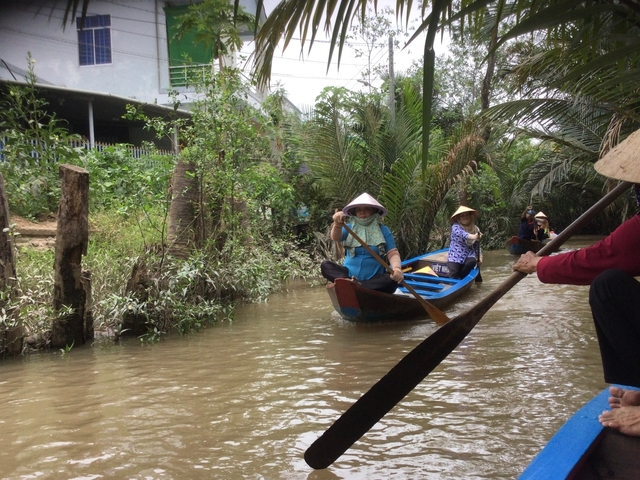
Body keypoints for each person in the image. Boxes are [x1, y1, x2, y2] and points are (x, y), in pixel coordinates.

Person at [513, 129, 640, 437]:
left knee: (605, 284)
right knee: (608, 286)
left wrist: (540, 262)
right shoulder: (527, 224)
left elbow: (599, 257)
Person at [320, 192, 404, 294]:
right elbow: (335, 237)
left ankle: (358, 286)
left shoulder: (383, 230)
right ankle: (348, 282)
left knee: (392, 279)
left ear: (374, 211)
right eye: (359, 210)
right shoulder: (350, 227)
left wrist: (397, 269)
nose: (362, 212)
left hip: (373, 279)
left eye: (367, 209)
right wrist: (337, 224)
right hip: (349, 275)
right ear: (355, 212)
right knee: (325, 265)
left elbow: (392, 253)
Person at [447, 205, 482, 279]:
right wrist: (474, 237)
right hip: (455, 254)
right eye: (462, 216)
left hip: (468, 253)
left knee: (472, 262)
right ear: (458, 218)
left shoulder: (475, 229)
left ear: (470, 216)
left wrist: (480, 257)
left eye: (467, 215)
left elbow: (477, 246)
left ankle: (462, 278)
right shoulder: (455, 227)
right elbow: (463, 234)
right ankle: (455, 282)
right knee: (453, 272)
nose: (465, 217)